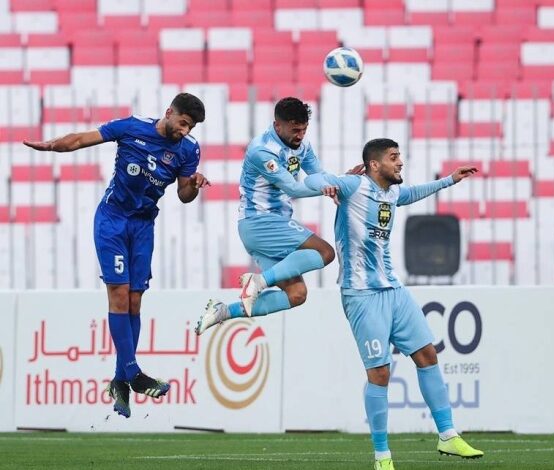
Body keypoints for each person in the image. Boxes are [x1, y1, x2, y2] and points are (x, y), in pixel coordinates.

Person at [23, 93, 210, 419]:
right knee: (119, 295)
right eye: (182, 123)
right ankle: (133, 374)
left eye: (190, 126)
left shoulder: (189, 150)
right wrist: (51, 146)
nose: (184, 130)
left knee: (135, 301)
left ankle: (121, 379)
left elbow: (183, 195)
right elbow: (82, 139)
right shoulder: (131, 127)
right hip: (112, 221)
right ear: (169, 112)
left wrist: (193, 184)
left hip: (143, 227)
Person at [303, 138, 483, 469]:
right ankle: (382, 456)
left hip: (393, 290)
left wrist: (450, 180)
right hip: (361, 294)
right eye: (393, 157)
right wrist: (325, 185)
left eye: (400, 156)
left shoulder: (391, 193)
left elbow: (412, 193)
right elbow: (312, 180)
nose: (400, 162)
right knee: (380, 373)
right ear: (375, 164)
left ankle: (448, 435)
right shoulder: (354, 185)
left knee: (427, 354)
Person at [195, 97, 342, 334]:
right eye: (295, 130)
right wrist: (326, 188)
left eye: (304, 129)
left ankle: (223, 311)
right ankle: (259, 282)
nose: (300, 135)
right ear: (277, 125)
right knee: (325, 252)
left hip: (268, 225)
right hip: (260, 221)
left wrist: (341, 181)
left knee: (296, 295)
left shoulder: (302, 146)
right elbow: (292, 188)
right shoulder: (262, 150)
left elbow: (319, 175)